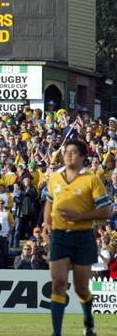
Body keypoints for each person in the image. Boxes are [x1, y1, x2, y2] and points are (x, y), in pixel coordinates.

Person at [44, 139, 111, 336]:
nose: (68, 155)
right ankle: (56, 333)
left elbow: (105, 211)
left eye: (73, 152)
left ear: (82, 156)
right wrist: (47, 222)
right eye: (66, 152)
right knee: (58, 283)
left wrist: (79, 217)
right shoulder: (54, 177)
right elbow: (49, 201)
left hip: (83, 237)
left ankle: (88, 321)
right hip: (59, 236)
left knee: (81, 287)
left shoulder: (92, 179)